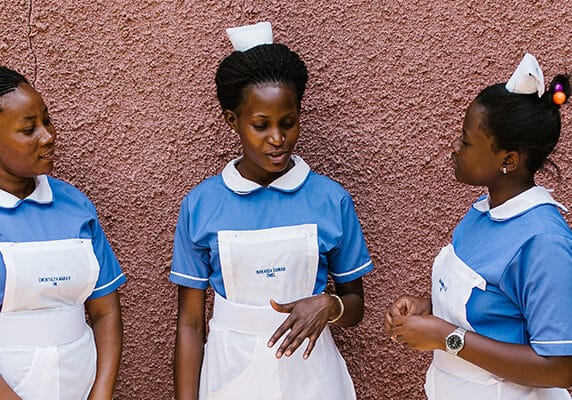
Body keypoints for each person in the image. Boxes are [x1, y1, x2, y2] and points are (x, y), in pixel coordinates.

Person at [170, 22, 374, 400]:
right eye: (261, 126)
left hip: (313, 375)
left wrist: (329, 305)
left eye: (288, 123)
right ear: (233, 121)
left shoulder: (331, 200)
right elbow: (191, 323)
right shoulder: (202, 205)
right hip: (230, 372)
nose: (278, 139)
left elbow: (355, 306)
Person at [385, 53, 572, 399]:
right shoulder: (483, 213)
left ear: (508, 160)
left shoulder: (544, 242)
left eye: (467, 141)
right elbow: (494, 309)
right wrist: (430, 306)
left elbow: (560, 367)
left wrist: (445, 337)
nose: (455, 147)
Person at [0, 66, 126, 400]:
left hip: (81, 386)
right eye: (29, 129)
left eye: (47, 120)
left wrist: (100, 392)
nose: (48, 135)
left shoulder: (75, 205)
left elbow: (106, 312)